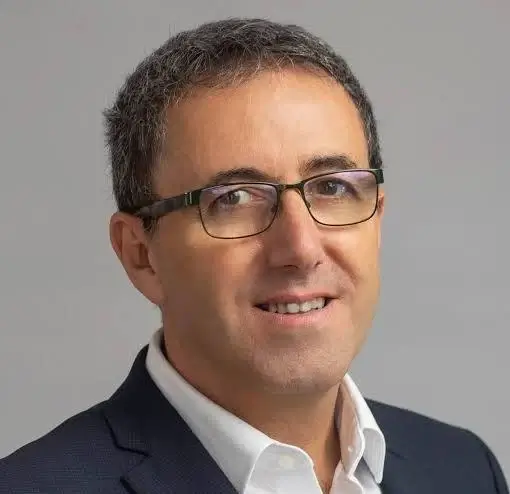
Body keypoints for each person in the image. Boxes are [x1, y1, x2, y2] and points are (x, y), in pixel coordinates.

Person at [0, 17, 507, 494]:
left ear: (376, 218)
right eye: (234, 199)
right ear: (141, 255)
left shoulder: (463, 469)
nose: (301, 249)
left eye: (332, 187)